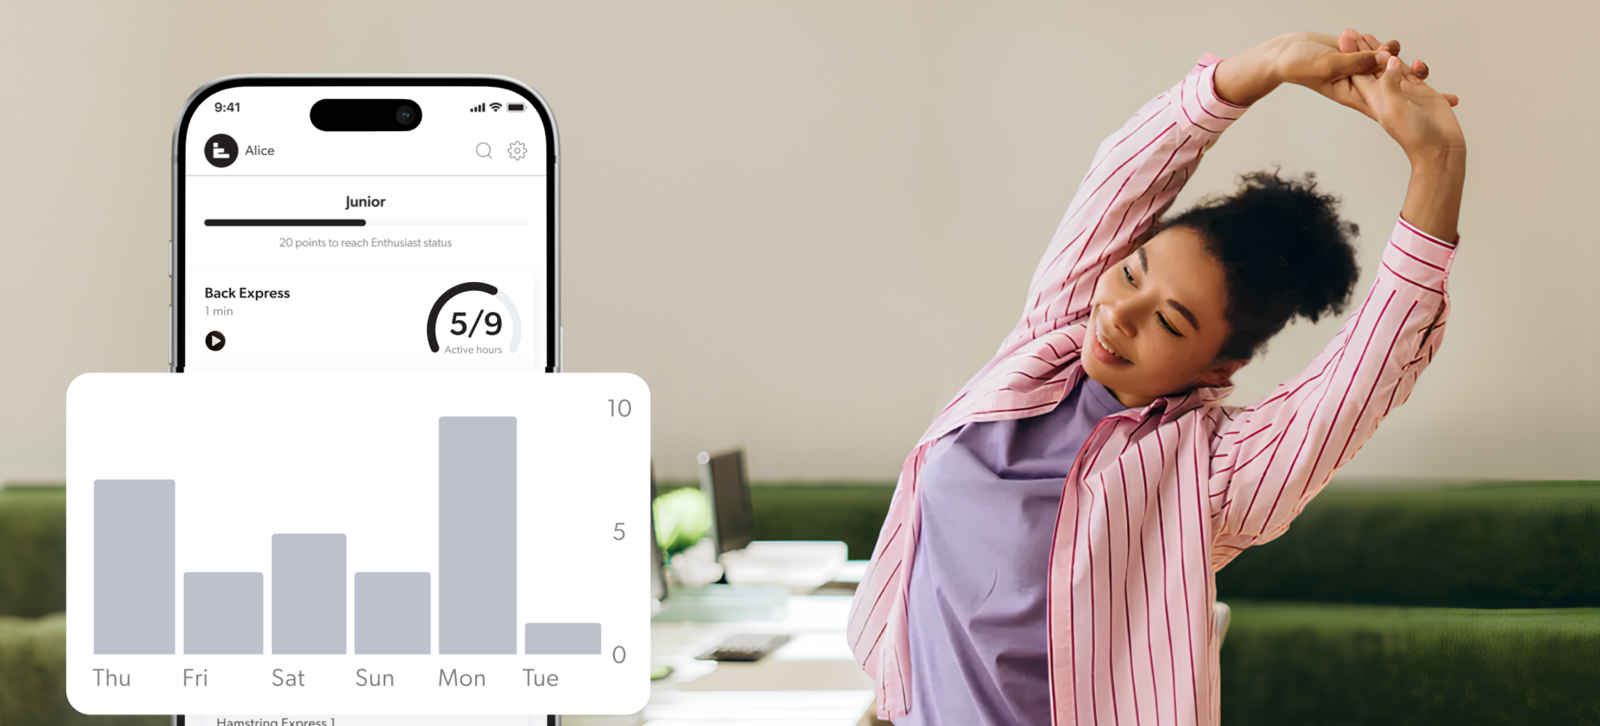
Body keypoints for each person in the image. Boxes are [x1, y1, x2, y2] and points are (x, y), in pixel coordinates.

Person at [845, 29, 1465, 726]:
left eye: (1170, 324)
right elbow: (1125, 171)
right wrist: (1269, 66)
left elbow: (1363, 376)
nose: (1118, 315)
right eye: (1132, 272)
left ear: (1218, 366)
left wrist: (1436, 160)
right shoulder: (1050, 342)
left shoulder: (1208, 477)